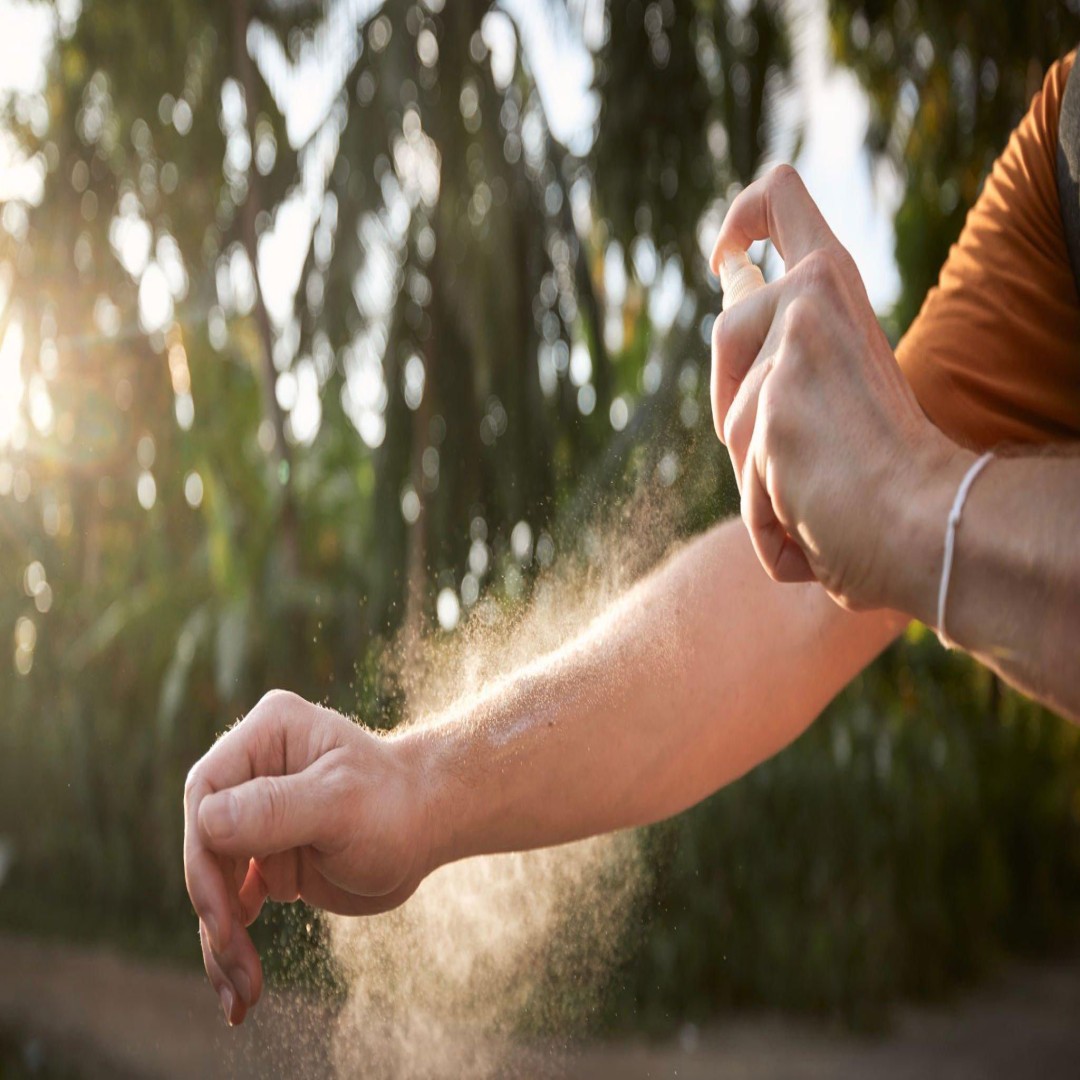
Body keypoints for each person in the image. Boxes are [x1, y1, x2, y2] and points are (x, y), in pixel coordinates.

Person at [184, 51, 1080, 1025]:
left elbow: (908, 503)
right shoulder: (1063, 152)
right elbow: (793, 595)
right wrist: (415, 783)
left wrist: (921, 506)